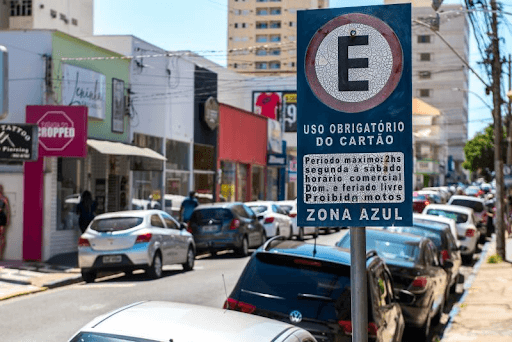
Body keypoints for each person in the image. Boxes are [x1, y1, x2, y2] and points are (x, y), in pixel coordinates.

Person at [0, 185, 10, 260]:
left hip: (2, 217)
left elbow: (7, 210)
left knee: (2, 237)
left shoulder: (4, 199)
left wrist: (8, 219)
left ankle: (1, 255)